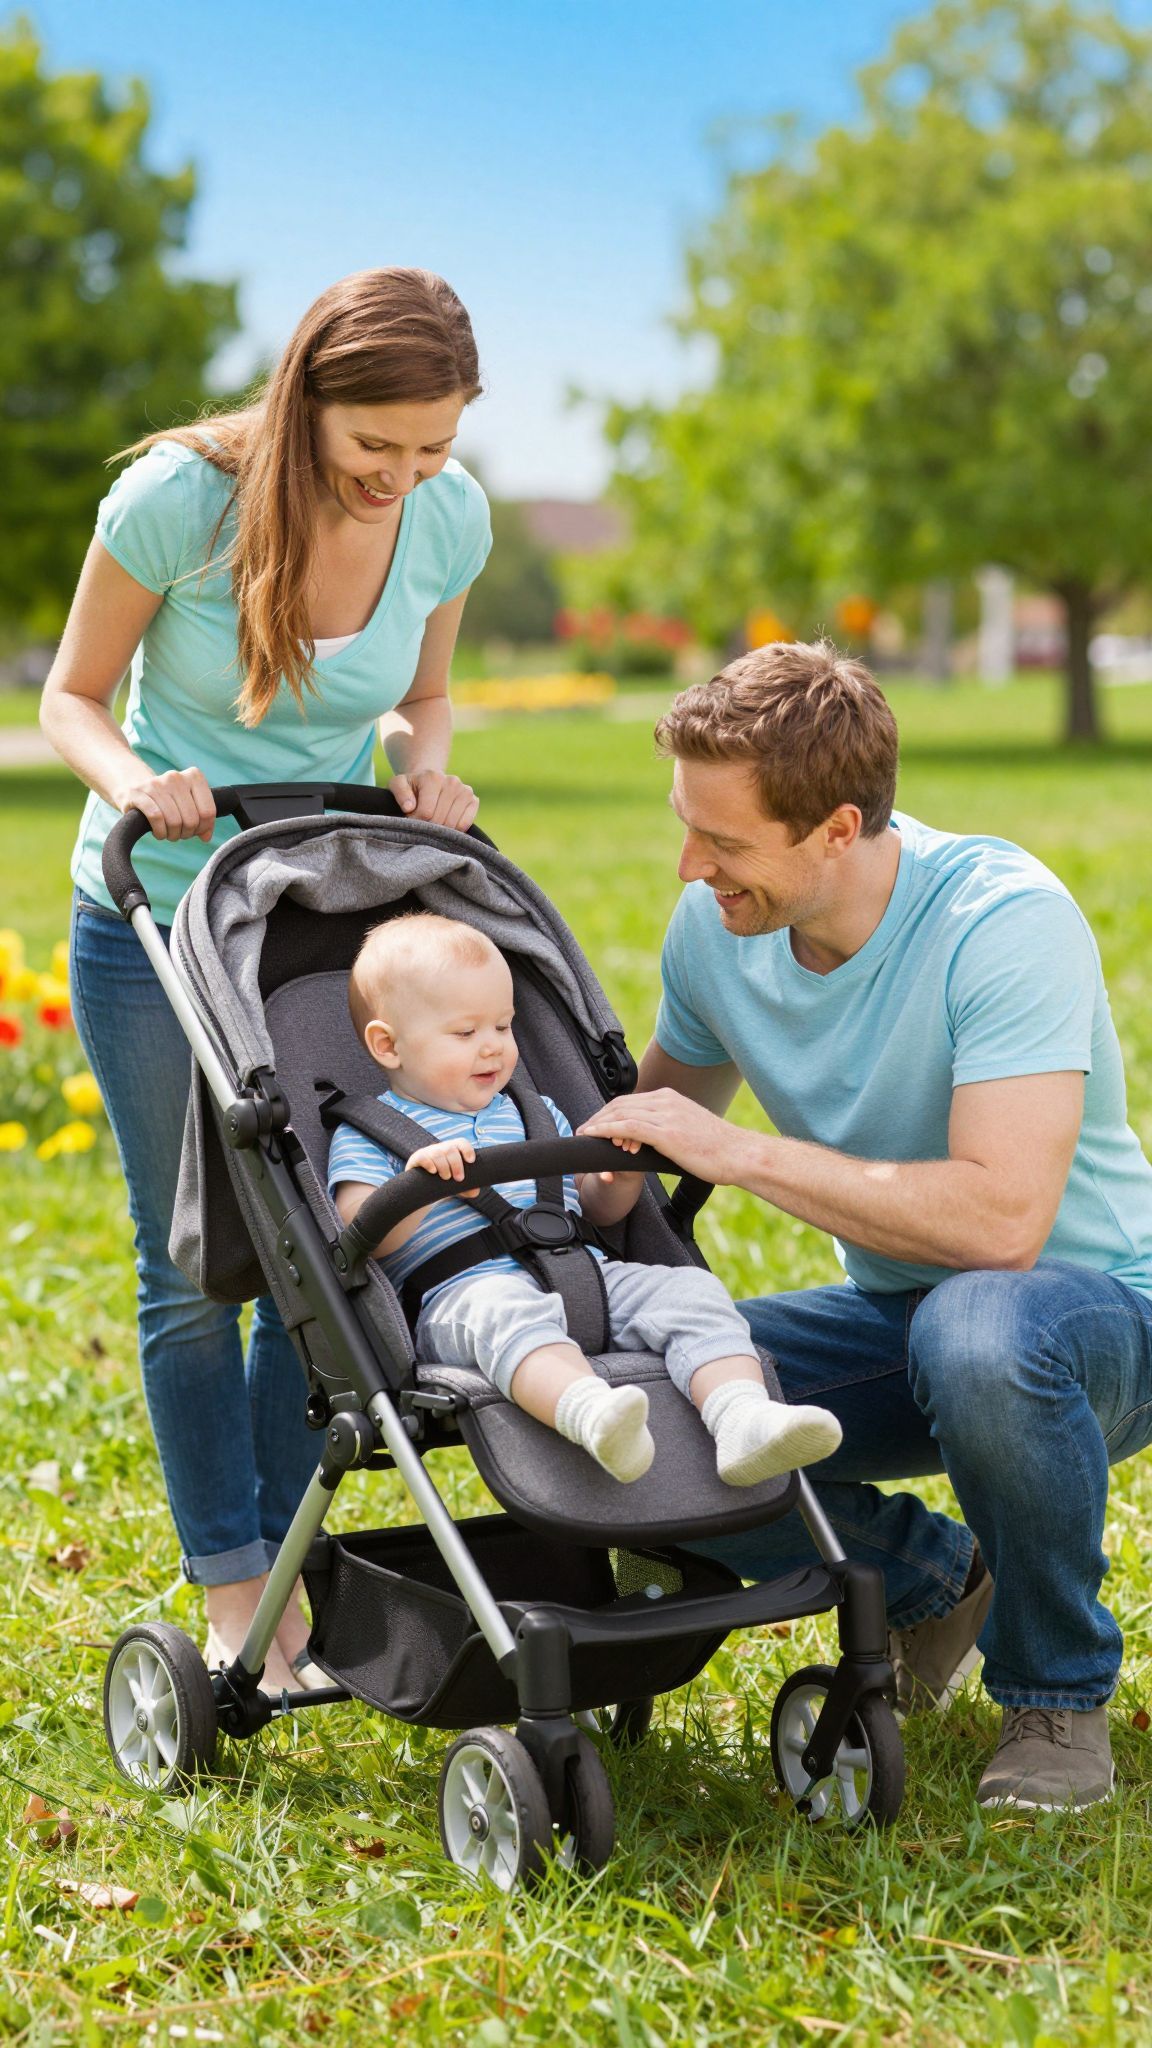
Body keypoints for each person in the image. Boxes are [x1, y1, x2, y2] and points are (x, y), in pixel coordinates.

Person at [578, 638, 1152, 1812]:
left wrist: (742, 1155)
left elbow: (1002, 1223)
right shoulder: (715, 932)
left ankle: (1055, 1692)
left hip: (1090, 1311)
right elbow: (636, 1151)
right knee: (652, 1397)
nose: (692, 867)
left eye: (725, 842)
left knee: (983, 1329)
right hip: (906, 1314)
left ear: (839, 829)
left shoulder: (1001, 920)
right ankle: (933, 1582)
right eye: (688, 827)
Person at [41, 268, 492, 1693]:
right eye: (378, 450)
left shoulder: (448, 517)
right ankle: (236, 1584)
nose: (403, 479)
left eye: (432, 448)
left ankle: (282, 1565)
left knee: (318, 1247)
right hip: (157, 916)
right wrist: (139, 784)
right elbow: (68, 696)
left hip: (308, 918)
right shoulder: (178, 504)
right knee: (192, 1263)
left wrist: (425, 760)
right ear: (306, 405)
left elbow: (420, 693)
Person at [327, 913, 843, 1483]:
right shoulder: (371, 1132)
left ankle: (742, 1417)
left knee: (688, 1289)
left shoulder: (533, 1110)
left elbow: (595, 1211)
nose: (493, 1048)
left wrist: (614, 1179)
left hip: (584, 1274)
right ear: (388, 1046)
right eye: (466, 1033)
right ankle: (591, 1412)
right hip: (462, 1296)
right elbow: (359, 1233)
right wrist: (419, 1187)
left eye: (504, 1026)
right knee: (502, 1310)